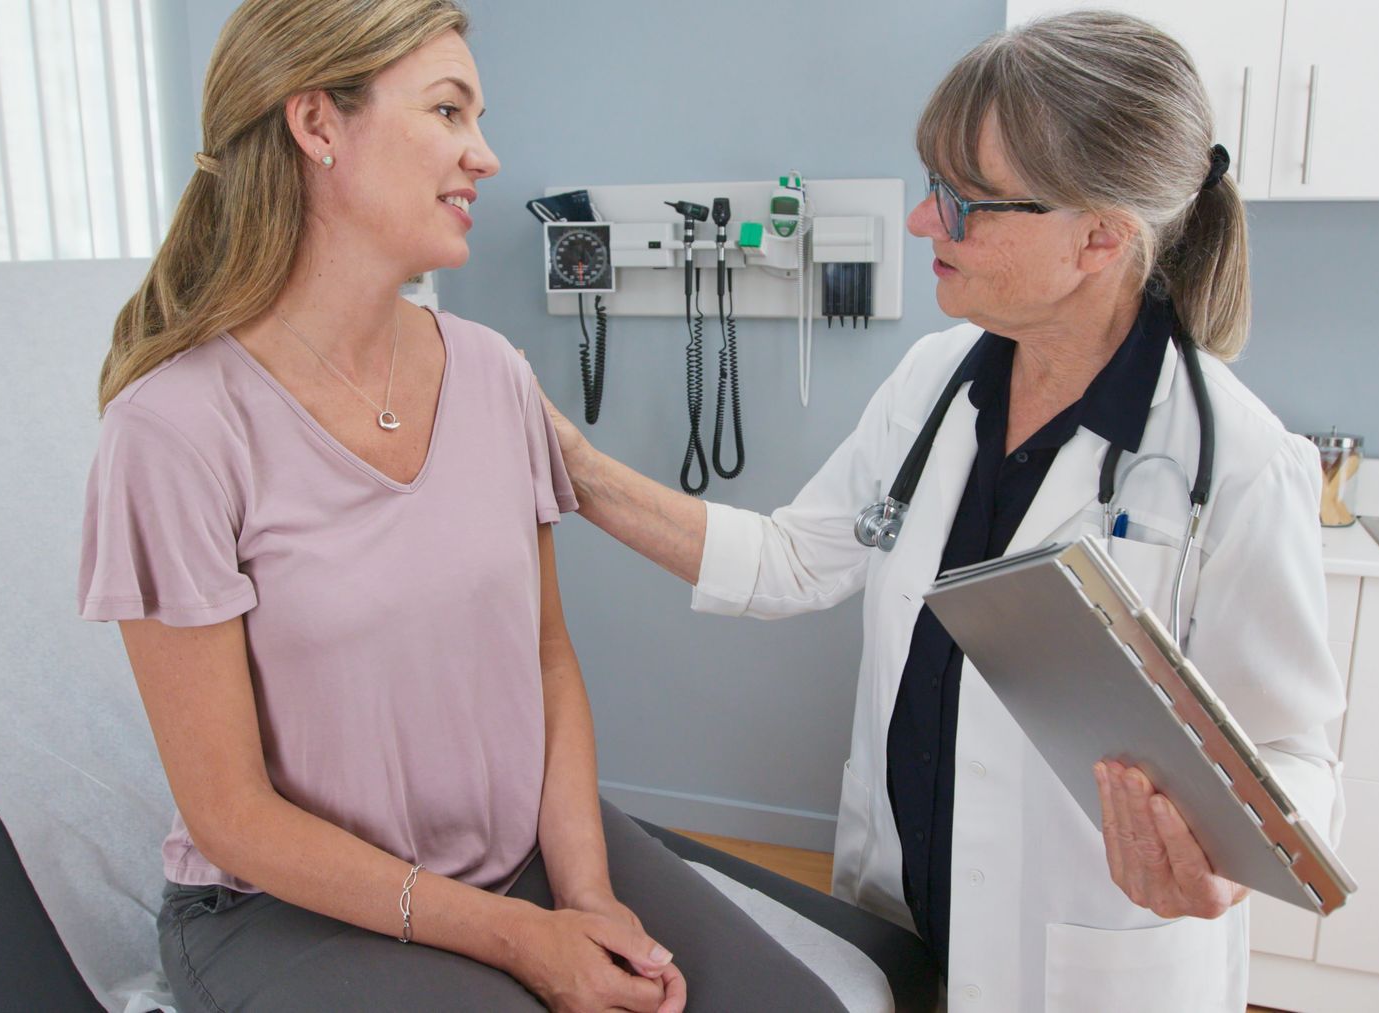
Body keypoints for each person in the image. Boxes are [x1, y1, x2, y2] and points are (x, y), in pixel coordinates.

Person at [542, 11, 1346, 1010]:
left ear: (1099, 235)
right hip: (898, 916)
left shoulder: (1237, 463)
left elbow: (1298, 757)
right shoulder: (932, 385)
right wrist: (577, 467)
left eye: (964, 203)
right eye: (933, 189)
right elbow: (795, 560)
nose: (925, 223)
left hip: (1083, 963)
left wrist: (1223, 859)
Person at [77, 2, 849, 1009]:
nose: (485, 155)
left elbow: (546, 655)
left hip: (522, 853)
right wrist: (522, 938)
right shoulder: (174, 430)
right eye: (449, 112)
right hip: (291, 909)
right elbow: (228, 812)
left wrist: (587, 893)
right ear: (317, 126)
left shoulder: (491, 374)